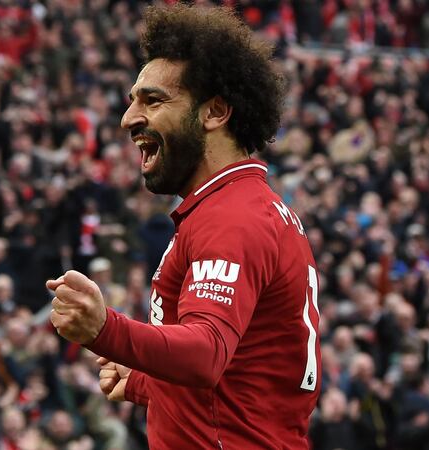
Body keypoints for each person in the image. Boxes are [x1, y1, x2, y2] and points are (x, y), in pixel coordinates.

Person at [47, 4, 321, 448]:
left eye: (152, 100)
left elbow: (207, 354)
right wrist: (145, 379)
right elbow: (241, 377)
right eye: (133, 100)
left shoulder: (231, 218)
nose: (128, 118)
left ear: (214, 112)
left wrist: (106, 330)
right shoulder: (247, 207)